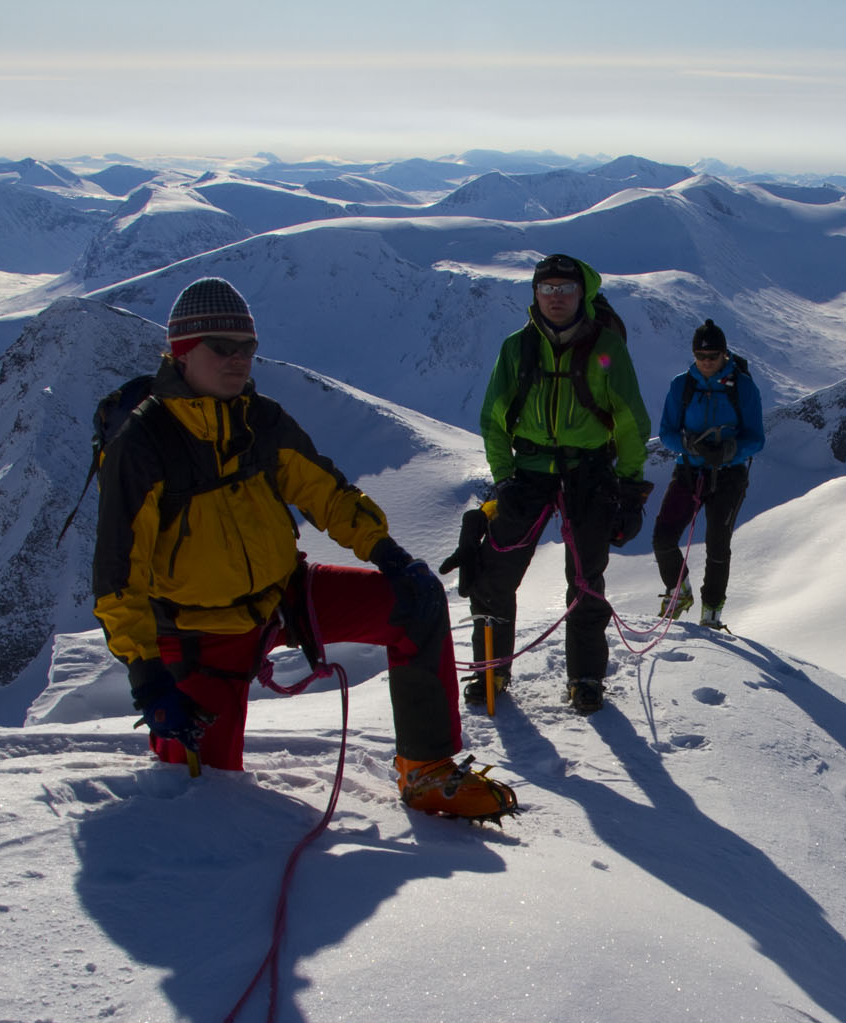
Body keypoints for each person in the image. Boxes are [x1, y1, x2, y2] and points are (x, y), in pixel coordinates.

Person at [91, 277, 516, 820]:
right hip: (198, 632)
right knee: (200, 798)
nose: (238, 360)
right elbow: (116, 576)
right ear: (181, 352)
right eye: (221, 347)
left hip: (282, 599)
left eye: (247, 347)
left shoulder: (259, 420)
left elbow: (325, 493)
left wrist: (386, 553)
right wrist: (147, 678)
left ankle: (427, 770)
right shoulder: (143, 445)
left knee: (418, 603)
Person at [471, 254, 652, 714]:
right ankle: (491, 670)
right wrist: (504, 478)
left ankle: (586, 677)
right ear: (534, 293)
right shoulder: (517, 347)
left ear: (581, 294)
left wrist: (631, 489)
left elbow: (630, 420)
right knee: (494, 574)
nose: (555, 297)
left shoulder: (605, 346)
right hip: (528, 471)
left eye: (564, 289)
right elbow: (494, 417)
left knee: (587, 579)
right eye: (546, 288)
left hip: (588, 470)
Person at [652, 318, 764, 629]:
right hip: (689, 470)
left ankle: (712, 611)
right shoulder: (682, 385)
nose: (706, 363)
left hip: (728, 475)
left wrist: (729, 452)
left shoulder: (743, 386)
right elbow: (667, 433)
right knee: (663, 537)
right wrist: (688, 445)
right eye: (701, 357)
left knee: (717, 544)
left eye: (712, 357)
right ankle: (679, 591)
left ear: (725, 355)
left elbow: (756, 438)